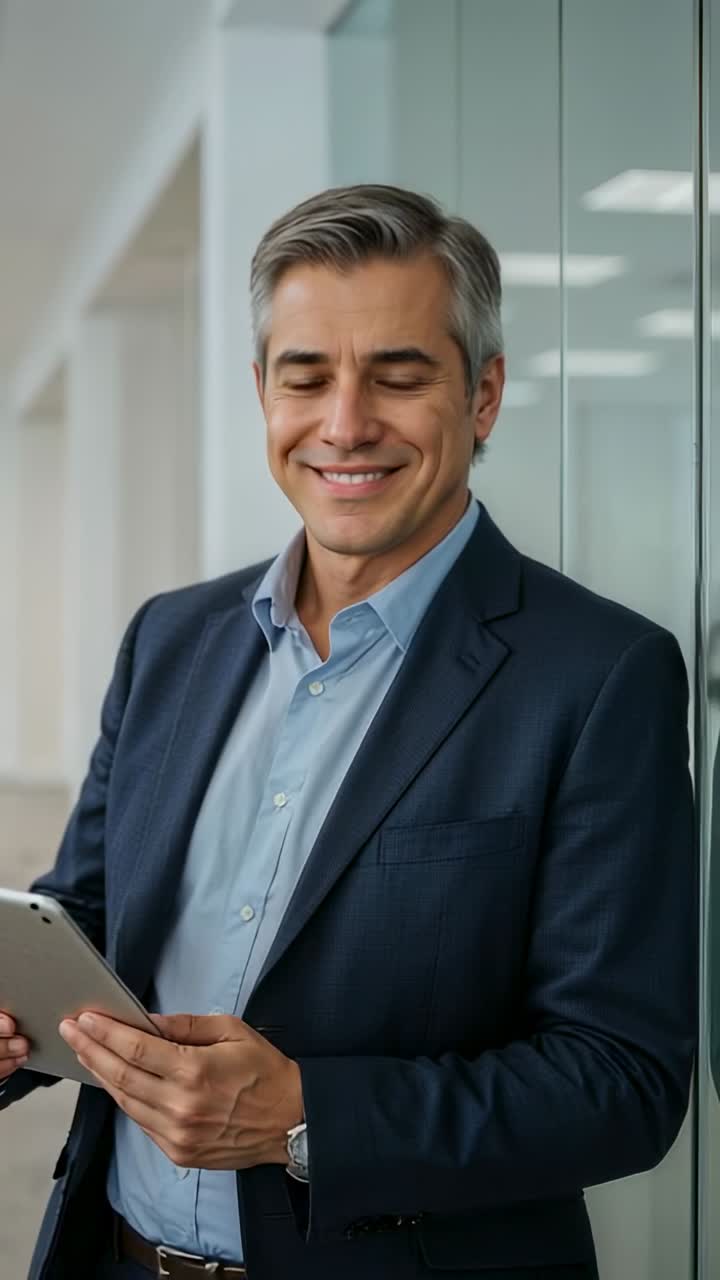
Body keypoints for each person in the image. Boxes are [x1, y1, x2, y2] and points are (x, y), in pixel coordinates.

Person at [0, 184, 696, 1280]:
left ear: (484, 394)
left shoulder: (601, 674)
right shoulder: (172, 640)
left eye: (400, 374)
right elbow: (90, 913)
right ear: (262, 393)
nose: (344, 423)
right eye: (306, 374)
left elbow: (623, 1080)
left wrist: (306, 1116)